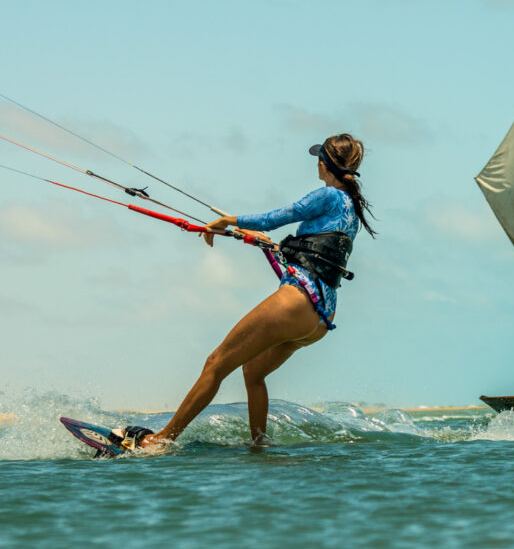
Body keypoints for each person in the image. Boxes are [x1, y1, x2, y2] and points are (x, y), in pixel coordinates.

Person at [111, 134, 375, 450]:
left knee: (216, 363)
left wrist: (226, 221)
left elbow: (277, 217)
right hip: (320, 318)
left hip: (299, 300)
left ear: (324, 163)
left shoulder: (328, 196)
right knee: (252, 371)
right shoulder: (350, 207)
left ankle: (159, 441)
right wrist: (258, 238)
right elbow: (316, 251)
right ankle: (259, 445)